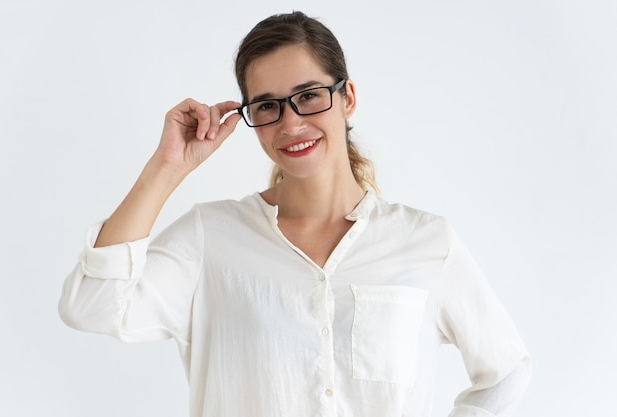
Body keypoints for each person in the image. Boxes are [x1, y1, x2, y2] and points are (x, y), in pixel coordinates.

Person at [59, 11, 531, 417]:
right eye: (267, 106)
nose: (290, 123)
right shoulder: (212, 238)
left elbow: (506, 370)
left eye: (308, 96)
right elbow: (92, 307)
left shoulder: (425, 241)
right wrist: (165, 169)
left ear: (346, 97)